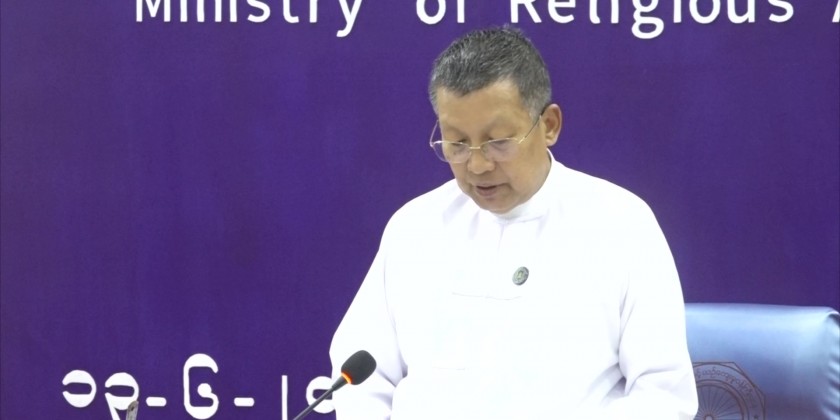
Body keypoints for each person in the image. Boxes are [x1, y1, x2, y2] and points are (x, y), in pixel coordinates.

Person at [329, 26, 698, 419]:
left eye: (498, 142)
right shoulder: (415, 228)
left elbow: (663, 398)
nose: (477, 165)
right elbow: (361, 377)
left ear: (549, 125)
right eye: (457, 144)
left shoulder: (620, 225)